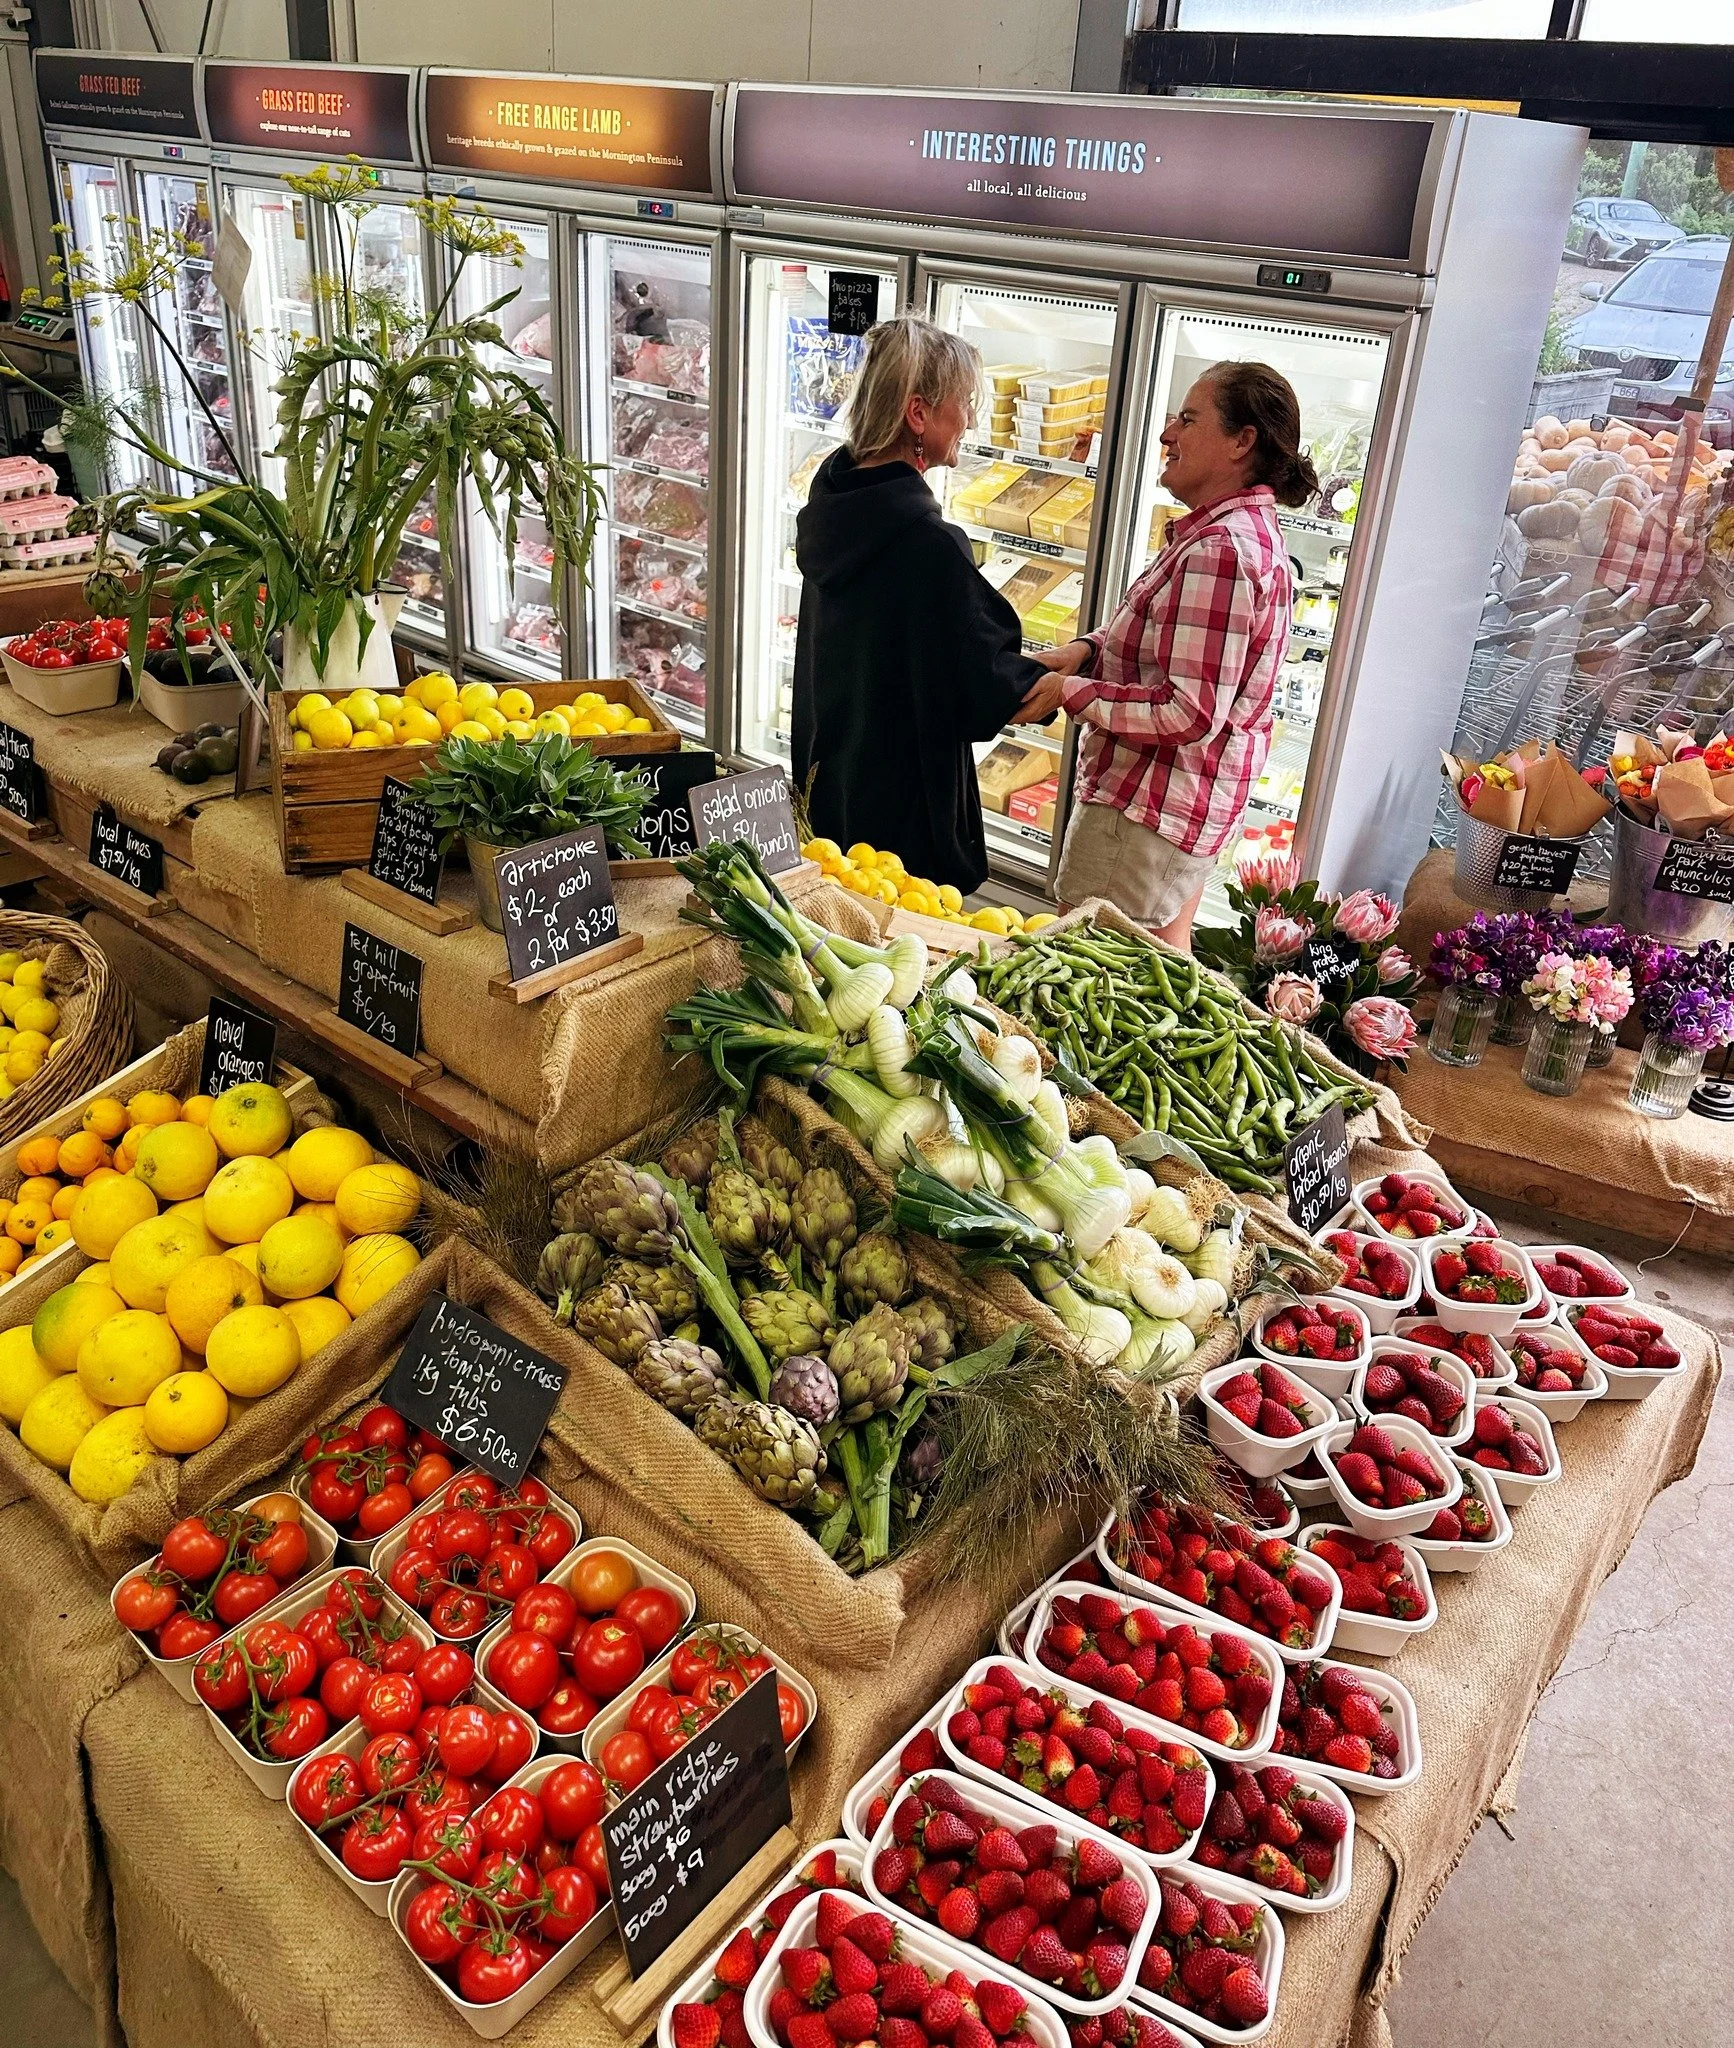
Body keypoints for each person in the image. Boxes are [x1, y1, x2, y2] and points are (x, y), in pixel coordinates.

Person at [1037, 361, 1317, 948]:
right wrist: (1085, 653)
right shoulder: (1234, 536)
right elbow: (1172, 657)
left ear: (1243, 442)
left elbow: (1188, 711)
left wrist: (1071, 693)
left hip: (1147, 811)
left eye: (1188, 419)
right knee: (1155, 970)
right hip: (1176, 812)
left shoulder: (1221, 551)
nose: (1167, 433)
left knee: (1084, 985)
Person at [793, 315, 1064, 893]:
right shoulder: (929, 544)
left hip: (828, 782)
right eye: (964, 403)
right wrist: (1069, 674)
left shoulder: (832, 500)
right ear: (918, 413)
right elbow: (990, 689)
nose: (970, 418)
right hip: (902, 818)